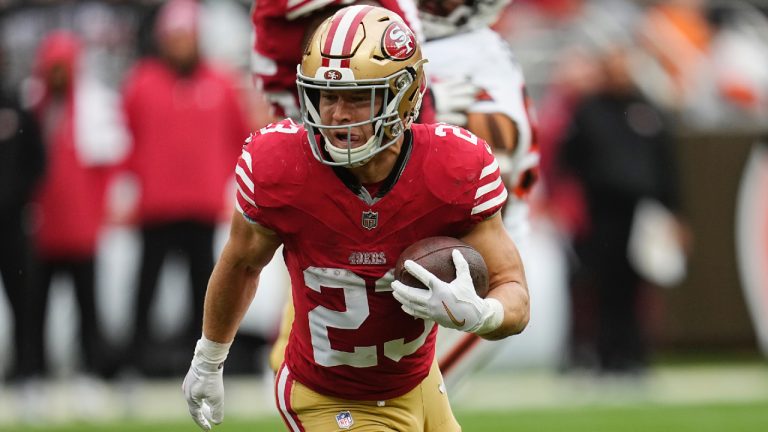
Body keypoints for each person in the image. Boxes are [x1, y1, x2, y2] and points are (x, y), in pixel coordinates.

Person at [183, 6, 530, 431]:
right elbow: (240, 264)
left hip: (419, 382)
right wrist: (208, 359)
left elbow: (514, 291)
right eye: (328, 96)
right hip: (329, 396)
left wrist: (481, 314)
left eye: (357, 97)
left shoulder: (454, 167)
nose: (338, 116)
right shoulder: (280, 166)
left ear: (403, 96)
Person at [121, 0, 250, 374]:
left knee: (206, 288)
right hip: (156, 204)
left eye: (186, 36)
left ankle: (209, 358)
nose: (181, 44)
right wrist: (136, 180)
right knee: (146, 286)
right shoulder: (142, 81)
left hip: (201, 204)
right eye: (174, 37)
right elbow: (125, 137)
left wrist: (222, 182)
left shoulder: (220, 83)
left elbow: (240, 138)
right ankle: (137, 358)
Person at [417, 0, 539, 391]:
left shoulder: (471, 50)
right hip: (422, 244)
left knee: (410, 397)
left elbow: (493, 164)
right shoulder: (416, 39)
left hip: (475, 257)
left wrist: (426, 115)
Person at [558, 43, 687, 374]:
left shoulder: (647, 109)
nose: (619, 72)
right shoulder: (588, 110)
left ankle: (635, 356)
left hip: (644, 213)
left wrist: (675, 215)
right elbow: (567, 161)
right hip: (601, 214)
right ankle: (604, 357)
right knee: (602, 285)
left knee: (637, 288)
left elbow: (667, 166)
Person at [25, 30, 125, 382]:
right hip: (44, 228)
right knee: (36, 304)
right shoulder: (34, 108)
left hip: (81, 228)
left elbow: (108, 168)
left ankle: (92, 366)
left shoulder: (91, 108)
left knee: (87, 306)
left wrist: (97, 217)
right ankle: (34, 368)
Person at [0, 55, 45, 382]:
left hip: (12, 220)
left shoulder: (17, 106)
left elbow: (37, 159)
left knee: (22, 296)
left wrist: (18, 195)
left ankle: (25, 367)